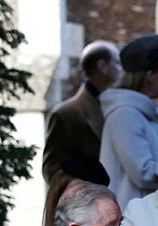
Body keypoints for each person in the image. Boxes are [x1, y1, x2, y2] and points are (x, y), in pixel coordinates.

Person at [99, 34, 158, 209]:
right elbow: (143, 172)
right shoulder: (125, 114)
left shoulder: (140, 111)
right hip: (131, 218)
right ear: (149, 75)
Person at [42, 40, 122, 183]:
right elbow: (52, 169)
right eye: (117, 63)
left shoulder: (120, 107)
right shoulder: (66, 114)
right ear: (102, 66)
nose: (121, 69)